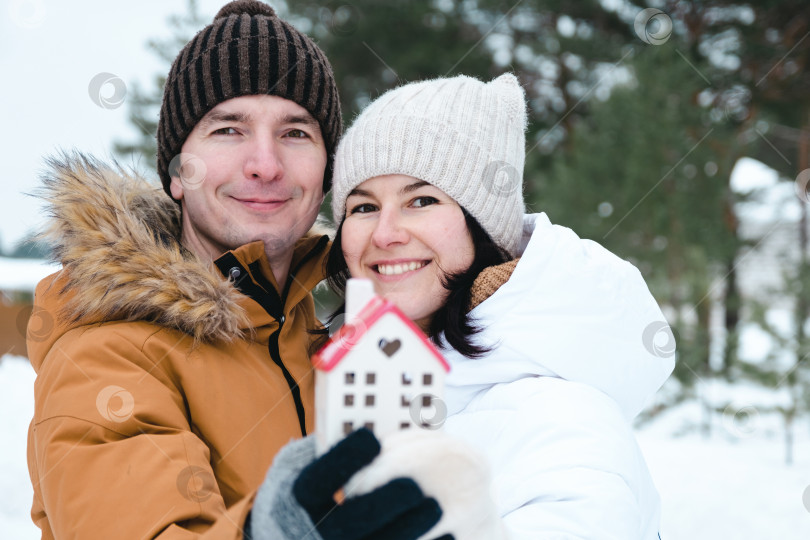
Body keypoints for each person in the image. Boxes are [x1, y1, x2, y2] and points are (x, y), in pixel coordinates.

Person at [26, 2, 461, 539]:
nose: (266, 163)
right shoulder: (105, 356)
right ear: (178, 173)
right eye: (229, 130)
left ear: (326, 168)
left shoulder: (331, 340)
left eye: (296, 133)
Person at [325, 73, 676, 539]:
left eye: (422, 200)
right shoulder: (356, 384)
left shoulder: (562, 421)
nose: (385, 233)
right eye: (363, 207)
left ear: (483, 226)